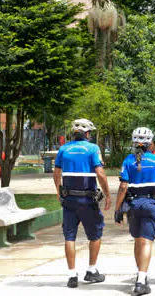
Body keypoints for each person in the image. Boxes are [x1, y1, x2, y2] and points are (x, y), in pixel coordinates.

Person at [114, 127, 155, 296]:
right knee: (146, 241)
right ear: (150, 142)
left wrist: (117, 209)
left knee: (138, 240)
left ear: (134, 142)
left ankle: (140, 274)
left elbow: (123, 187)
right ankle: (141, 280)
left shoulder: (128, 161)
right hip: (151, 204)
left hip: (133, 205)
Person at [53, 118, 111, 288]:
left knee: (69, 237)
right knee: (95, 235)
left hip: (69, 200)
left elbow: (56, 174)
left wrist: (58, 190)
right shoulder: (93, 148)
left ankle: (72, 275)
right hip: (87, 200)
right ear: (87, 133)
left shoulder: (63, 149)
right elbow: (100, 173)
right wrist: (107, 194)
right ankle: (91, 270)